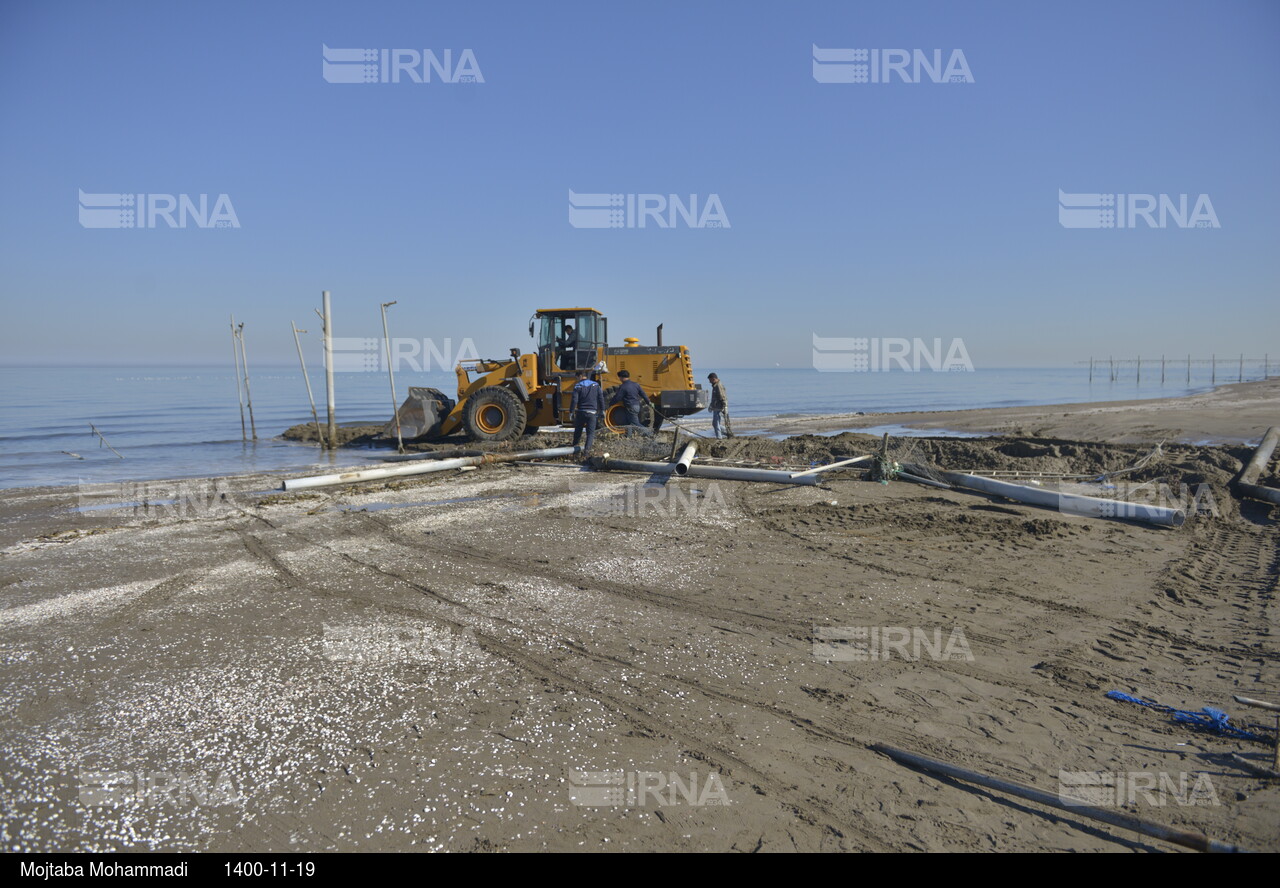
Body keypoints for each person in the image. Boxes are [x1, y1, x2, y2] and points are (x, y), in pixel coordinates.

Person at [570, 368, 605, 456]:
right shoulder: (596, 385)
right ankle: (586, 452)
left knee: (578, 431)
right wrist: (602, 410)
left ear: (580, 376)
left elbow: (574, 400)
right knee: (590, 433)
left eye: (577, 377)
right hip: (592, 413)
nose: (577, 380)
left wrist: (571, 411)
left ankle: (574, 449)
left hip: (581, 412)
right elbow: (601, 398)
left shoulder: (578, 386)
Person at [609, 370, 651, 436]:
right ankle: (628, 435)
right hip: (637, 406)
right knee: (629, 422)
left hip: (630, 407)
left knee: (635, 423)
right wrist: (648, 402)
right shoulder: (636, 385)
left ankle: (649, 433)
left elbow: (618, 398)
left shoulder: (623, 387)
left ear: (622, 377)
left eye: (619, 377)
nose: (619, 379)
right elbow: (643, 394)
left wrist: (610, 404)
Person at [708, 372, 732, 438]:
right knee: (715, 423)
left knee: (716, 423)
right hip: (715, 407)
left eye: (710, 380)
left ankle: (719, 437)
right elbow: (715, 397)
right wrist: (711, 405)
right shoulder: (715, 386)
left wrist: (725, 406)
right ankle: (727, 433)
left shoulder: (718, 386)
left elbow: (722, 396)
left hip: (718, 408)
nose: (709, 382)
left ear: (713, 379)